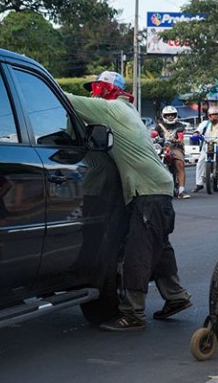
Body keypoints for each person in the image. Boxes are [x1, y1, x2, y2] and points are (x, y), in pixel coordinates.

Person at [66, 71, 191, 331]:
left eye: (97, 89)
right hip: (158, 188)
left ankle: (133, 313)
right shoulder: (129, 111)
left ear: (108, 91)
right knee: (159, 245)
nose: (93, 94)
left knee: (139, 251)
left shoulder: (111, 109)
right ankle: (176, 296)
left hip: (147, 191)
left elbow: (65, 99)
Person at [151, 106, 190, 199]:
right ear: (164, 116)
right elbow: (153, 133)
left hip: (176, 148)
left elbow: (180, 134)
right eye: (168, 115)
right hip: (162, 149)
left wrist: (180, 138)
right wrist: (152, 135)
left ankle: (181, 191)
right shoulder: (160, 126)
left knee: (179, 164)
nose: (170, 117)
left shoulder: (179, 125)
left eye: (172, 115)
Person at [191, 106, 218, 193]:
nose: (214, 117)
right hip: (207, 145)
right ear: (209, 116)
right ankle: (199, 183)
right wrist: (196, 134)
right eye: (212, 115)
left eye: (216, 115)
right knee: (200, 162)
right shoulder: (205, 123)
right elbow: (198, 130)